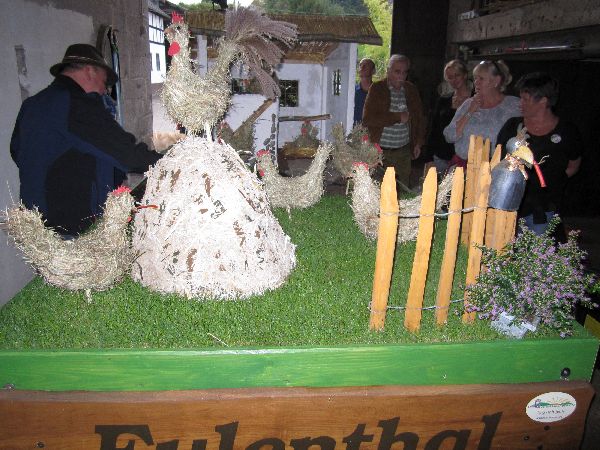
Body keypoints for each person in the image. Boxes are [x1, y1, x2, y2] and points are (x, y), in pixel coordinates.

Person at [10, 43, 161, 236]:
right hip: (72, 227)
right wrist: (172, 161)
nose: (104, 90)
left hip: (38, 227)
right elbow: (128, 155)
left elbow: (17, 152)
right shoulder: (77, 104)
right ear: (90, 71)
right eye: (104, 82)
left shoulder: (32, 105)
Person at [497, 72, 582, 235]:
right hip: (511, 207)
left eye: (525, 99)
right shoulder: (512, 127)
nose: (520, 103)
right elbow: (498, 162)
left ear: (543, 100)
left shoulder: (567, 131)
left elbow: (573, 165)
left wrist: (549, 184)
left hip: (545, 209)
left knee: (538, 247)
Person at [362, 54, 426, 188]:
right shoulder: (377, 89)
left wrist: (418, 143)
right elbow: (368, 119)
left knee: (403, 187)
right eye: (397, 72)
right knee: (380, 188)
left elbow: (419, 118)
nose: (401, 76)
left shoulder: (411, 90)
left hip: (403, 150)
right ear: (388, 71)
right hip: (380, 151)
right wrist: (397, 117)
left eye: (404, 72)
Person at [443, 60, 520, 168]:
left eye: (481, 79)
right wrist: (470, 111)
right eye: (475, 78)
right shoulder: (469, 103)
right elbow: (449, 136)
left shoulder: (513, 106)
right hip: (463, 166)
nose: (476, 82)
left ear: (496, 81)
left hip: (496, 168)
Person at [426, 59, 472, 175]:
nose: (454, 80)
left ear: (465, 75)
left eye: (457, 75)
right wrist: (428, 158)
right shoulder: (444, 100)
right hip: (440, 155)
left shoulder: (475, 100)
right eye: (450, 77)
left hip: (464, 157)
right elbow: (434, 129)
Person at [353, 57, 376, 125]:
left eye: (366, 65)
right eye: (360, 65)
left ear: (373, 71)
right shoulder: (352, 91)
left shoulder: (378, 92)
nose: (362, 68)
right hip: (353, 130)